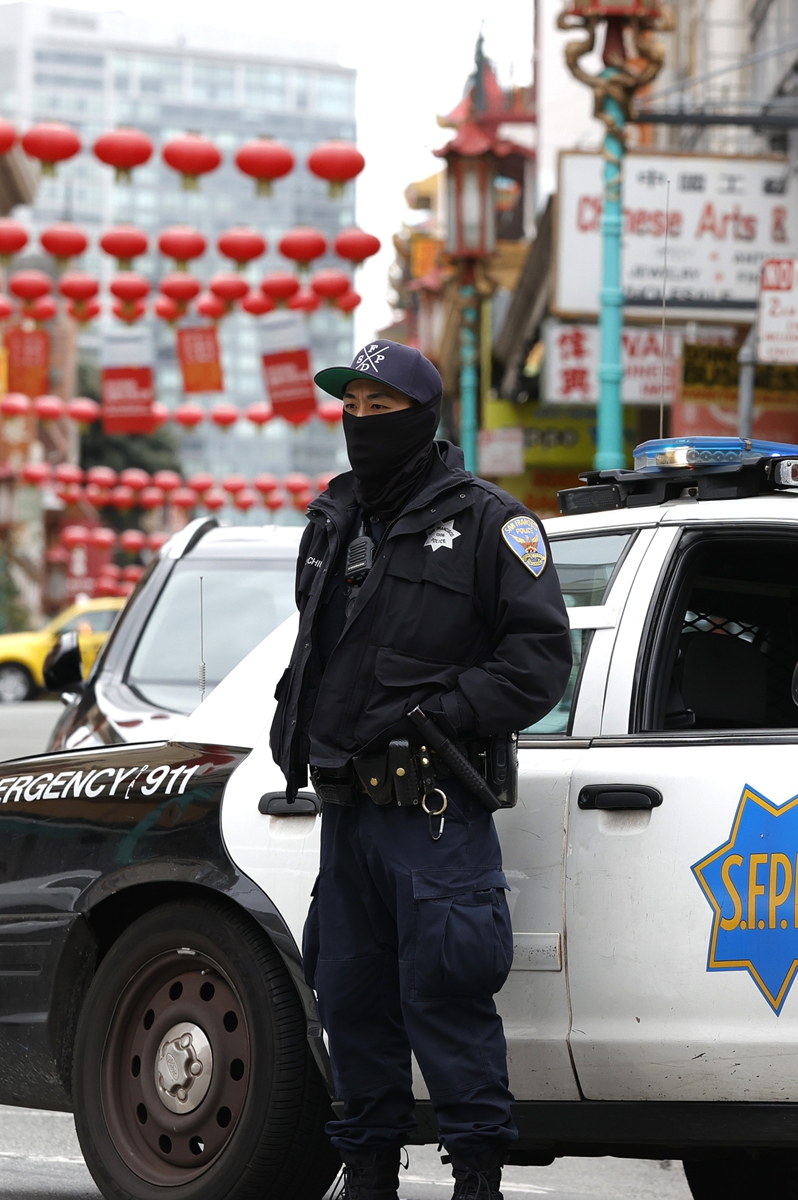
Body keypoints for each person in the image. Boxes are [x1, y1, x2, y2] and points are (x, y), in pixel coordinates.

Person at [270, 341, 571, 1200]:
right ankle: (367, 1169)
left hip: (433, 809)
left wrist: (444, 713)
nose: (361, 424)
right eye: (351, 409)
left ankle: (477, 1174)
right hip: (346, 811)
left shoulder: (490, 523)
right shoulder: (332, 521)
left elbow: (539, 661)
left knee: (446, 994)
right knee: (352, 998)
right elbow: (317, 652)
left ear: (423, 415)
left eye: (379, 408)